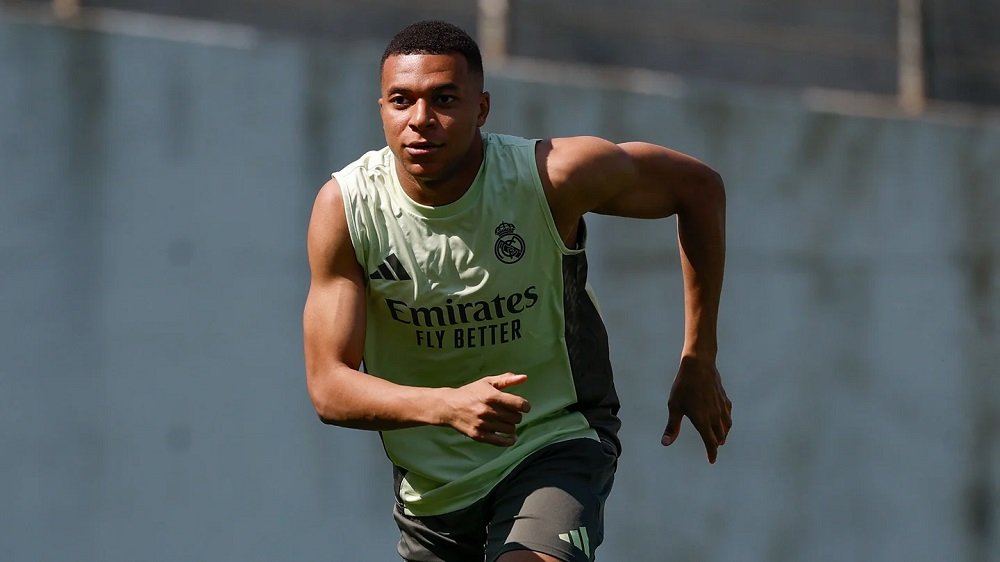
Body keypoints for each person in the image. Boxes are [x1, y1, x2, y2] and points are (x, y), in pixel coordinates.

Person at [303, 20, 731, 562]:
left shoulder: (551, 177)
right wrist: (447, 407)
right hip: (432, 491)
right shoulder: (348, 208)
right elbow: (328, 386)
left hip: (554, 440)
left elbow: (698, 188)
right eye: (401, 100)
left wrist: (699, 357)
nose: (420, 120)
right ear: (382, 109)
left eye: (444, 99)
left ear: (482, 108)